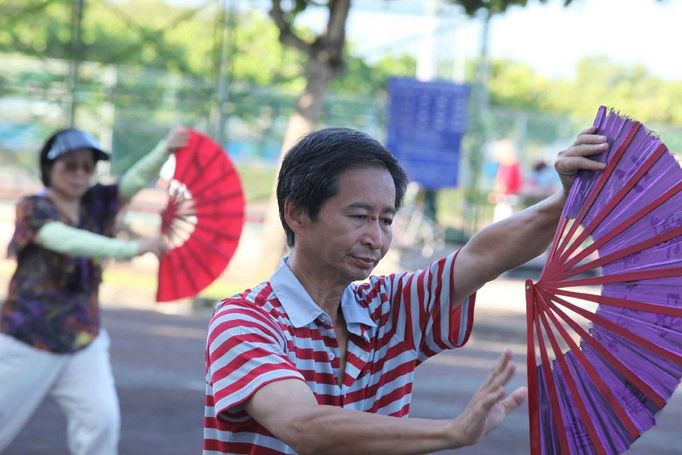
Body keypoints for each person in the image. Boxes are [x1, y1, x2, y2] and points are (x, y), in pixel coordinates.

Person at [203, 127, 608, 454]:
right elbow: (305, 427)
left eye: (386, 220)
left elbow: (484, 256)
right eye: (359, 216)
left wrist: (567, 198)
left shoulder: (388, 308)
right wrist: (453, 432)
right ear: (296, 213)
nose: (375, 238)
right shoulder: (244, 321)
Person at [0, 126, 188, 454]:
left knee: (102, 423)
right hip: (28, 339)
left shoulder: (96, 202)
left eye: (87, 165)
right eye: (69, 164)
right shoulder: (34, 207)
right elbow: (65, 239)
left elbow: (130, 183)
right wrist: (133, 248)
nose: (79, 173)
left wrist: (165, 149)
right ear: (49, 169)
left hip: (84, 342)